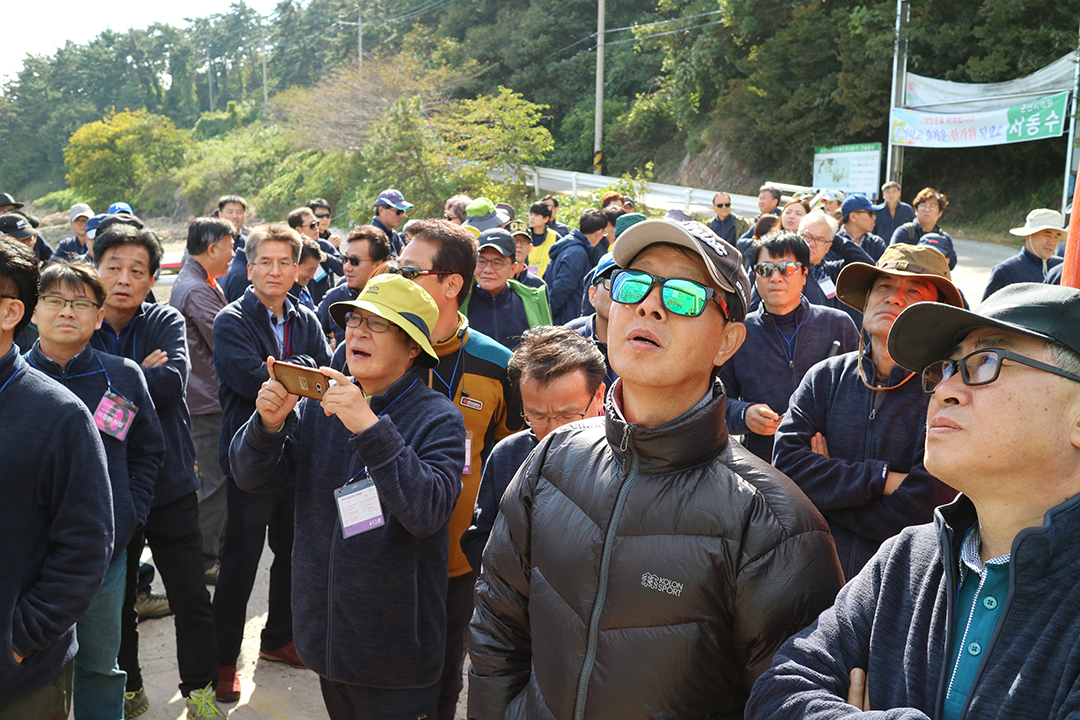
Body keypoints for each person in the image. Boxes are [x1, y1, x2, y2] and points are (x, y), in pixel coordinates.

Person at [469, 218, 844, 719]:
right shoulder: (552, 459)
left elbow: (783, 704)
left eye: (686, 294)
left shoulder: (774, 527)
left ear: (727, 342)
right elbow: (497, 628)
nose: (650, 304)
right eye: (635, 283)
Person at [748, 281, 1080, 720]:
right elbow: (776, 691)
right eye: (946, 368)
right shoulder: (907, 560)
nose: (944, 390)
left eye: (985, 363)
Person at [230, 273, 465, 720]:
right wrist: (267, 426)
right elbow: (250, 477)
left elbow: (426, 512)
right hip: (326, 640)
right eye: (354, 320)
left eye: (377, 325)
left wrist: (370, 428)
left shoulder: (439, 419)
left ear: (413, 346)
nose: (356, 332)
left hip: (395, 655)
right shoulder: (323, 406)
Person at [88, 224, 224, 718]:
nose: (124, 279)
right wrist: (137, 372)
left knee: (190, 595)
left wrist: (113, 374)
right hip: (107, 488)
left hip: (168, 484)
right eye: (114, 268)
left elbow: (170, 385)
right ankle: (130, 688)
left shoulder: (166, 319)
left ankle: (200, 691)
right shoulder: (81, 318)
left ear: (151, 279)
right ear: (95, 269)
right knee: (117, 603)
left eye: (136, 271)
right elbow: (76, 396)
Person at [772, 244, 962, 580]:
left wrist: (826, 498)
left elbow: (922, 507)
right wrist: (883, 479)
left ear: (935, 313)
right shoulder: (826, 377)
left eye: (913, 290)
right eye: (884, 286)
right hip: (809, 572)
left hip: (896, 585)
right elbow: (787, 467)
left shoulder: (947, 395)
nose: (894, 297)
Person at [395, 219, 522, 720]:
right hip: (387, 552)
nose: (398, 279)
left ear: (452, 284)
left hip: (460, 558)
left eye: (411, 270)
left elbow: (512, 463)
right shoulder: (382, 352)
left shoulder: (498, 365)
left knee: (446, 683)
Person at [26, 261, 165, 720]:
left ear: (99, 316)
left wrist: (130, 512)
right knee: (31, 666)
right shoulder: (14, 381)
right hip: (29, 558)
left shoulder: (122, 377)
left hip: (105, 553)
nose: (68, 312)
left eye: (82, 303)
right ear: (32, 310)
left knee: (101, 665)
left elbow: (148, 449)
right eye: (55, 301)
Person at [212, 224, 332, 703]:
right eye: (266, 261)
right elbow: (248, 380)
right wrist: (296, 373)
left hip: (297, 455)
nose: (275, 271)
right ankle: (224, 659)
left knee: (292, 552)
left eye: (285, 262)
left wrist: (286, 370)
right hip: (251, 458)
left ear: (298, 268)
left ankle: (279, 637)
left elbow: (323, 374)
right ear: (250, 264)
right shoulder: (230, 320)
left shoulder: (305, 316)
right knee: (240, 563)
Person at [0, 238, 114, 718]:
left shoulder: (57, 414)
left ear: (10, 313)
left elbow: (86, 547)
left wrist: (18, 642)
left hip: (19, 681)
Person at [461, 326, 606, 572]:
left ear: (599, 396)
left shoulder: (623, 458)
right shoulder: (508, 455)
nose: (554, 430)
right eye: (536, 416)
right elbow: (478, 540)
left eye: (568, 415)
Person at [721, 231, 859, 462]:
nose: (776, 277)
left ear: (805, 274)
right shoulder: (738, 332)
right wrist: (744, 414)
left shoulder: (839, 324)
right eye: (765, 270)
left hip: (829, 461)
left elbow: (861, 394)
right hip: (763, 465)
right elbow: (716, 399)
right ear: (755, 277)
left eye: (787, 268)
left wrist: (837, 435)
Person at [169, 217, 235, 584]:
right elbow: (223, 340)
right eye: (229, 246)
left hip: (203, 397)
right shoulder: (196, 289)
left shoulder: (198, 281)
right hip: (206, 401)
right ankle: (204, 558)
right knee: (214, 481)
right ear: (212, 248)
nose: (232, 254)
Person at [461, 228, 551, 351]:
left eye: (497, 263)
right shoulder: (459, 302)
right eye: (481, 261)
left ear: (513, 269)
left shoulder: (533, 302)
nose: (487, 270)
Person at [316, 225, 394, 347]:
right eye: (345, 259)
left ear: (379, 264)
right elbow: (310, 341)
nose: (347, 267)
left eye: (355, 261)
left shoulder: (398, 298)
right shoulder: (334, 298)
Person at [798, 210, 874, 327]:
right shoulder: (786, 271)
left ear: (829, 247)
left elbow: (866, 265)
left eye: (820, 240)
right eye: (807, 237)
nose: (811, 244)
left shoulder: (831, 270)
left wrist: (833, 237)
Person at [983, 208, 1065, 300]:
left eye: (1057, 236)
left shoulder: (1063, 269)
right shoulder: (1005, 271)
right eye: (1047, 235)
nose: (1052, 242)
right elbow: (985, 312)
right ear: (1028, 235)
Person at [566, 252, 619, 389]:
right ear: (592, 295)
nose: (618, 292)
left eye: (629, 284)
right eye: (611, 282)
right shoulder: (568, 339)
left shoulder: (647, 343)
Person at [546, 209, 608, 325]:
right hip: (564, 318)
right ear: (598, 232)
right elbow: (563, 287)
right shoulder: (577, 253)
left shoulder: (569, 245)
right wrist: (548, 315)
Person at [891, 186, 957, 269]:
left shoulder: (944, 238)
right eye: (923, 205)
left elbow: (951, 264)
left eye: (932, 206)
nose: (927, 209)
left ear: (940, 213)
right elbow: (892, 259)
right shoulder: (904, 232)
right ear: (916, 210)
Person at [290, 205, 343, 305]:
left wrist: (327, 258)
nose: (317, 228)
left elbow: (343, 268)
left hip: (323, 304)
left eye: (317, 223)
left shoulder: (324, 245)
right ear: (298, 229)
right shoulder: (289, 250)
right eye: (312, 225)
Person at [218, 195, 252, 302]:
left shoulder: (249, 243)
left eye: (239, 212)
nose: (235, 216)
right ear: (220, 214)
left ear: (245, 215)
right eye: (230, 212)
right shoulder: (211, 242)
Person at [836, 195, 887, 262]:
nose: (874, 217)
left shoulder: (877, 244)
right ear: (853, 217)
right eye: (870, 213)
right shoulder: (832, 244)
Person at [506, 220, 545, 289]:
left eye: (523, 241)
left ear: (530, 248)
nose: (518, 245)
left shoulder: (538, 286)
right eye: (514, 240)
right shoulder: (494, 281)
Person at [525, 202, 560, 278]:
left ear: (546, 218)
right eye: (531, 214)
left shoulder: (555, 237)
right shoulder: (523, 236)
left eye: (536, 215)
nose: (532, 218)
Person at [874, 179, 915, 244]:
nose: (891, 195)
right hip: (882, 248)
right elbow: (873, 231)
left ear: (899, 193)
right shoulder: (877, 210)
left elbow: (912, 230)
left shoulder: (907, 209)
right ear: (883, 195)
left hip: (902, 247)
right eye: (888, 192)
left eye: (894, 192)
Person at [372, 188, 411, 255]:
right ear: (381, 210)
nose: (401, 216)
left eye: (403, 211)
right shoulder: (374, 237)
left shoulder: (393, 234)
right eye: (398, 212)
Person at [291, 236, 325, 311]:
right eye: (310, 270)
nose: (312, 276)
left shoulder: (302, 288)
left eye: (315, 269)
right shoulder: (285, 297)